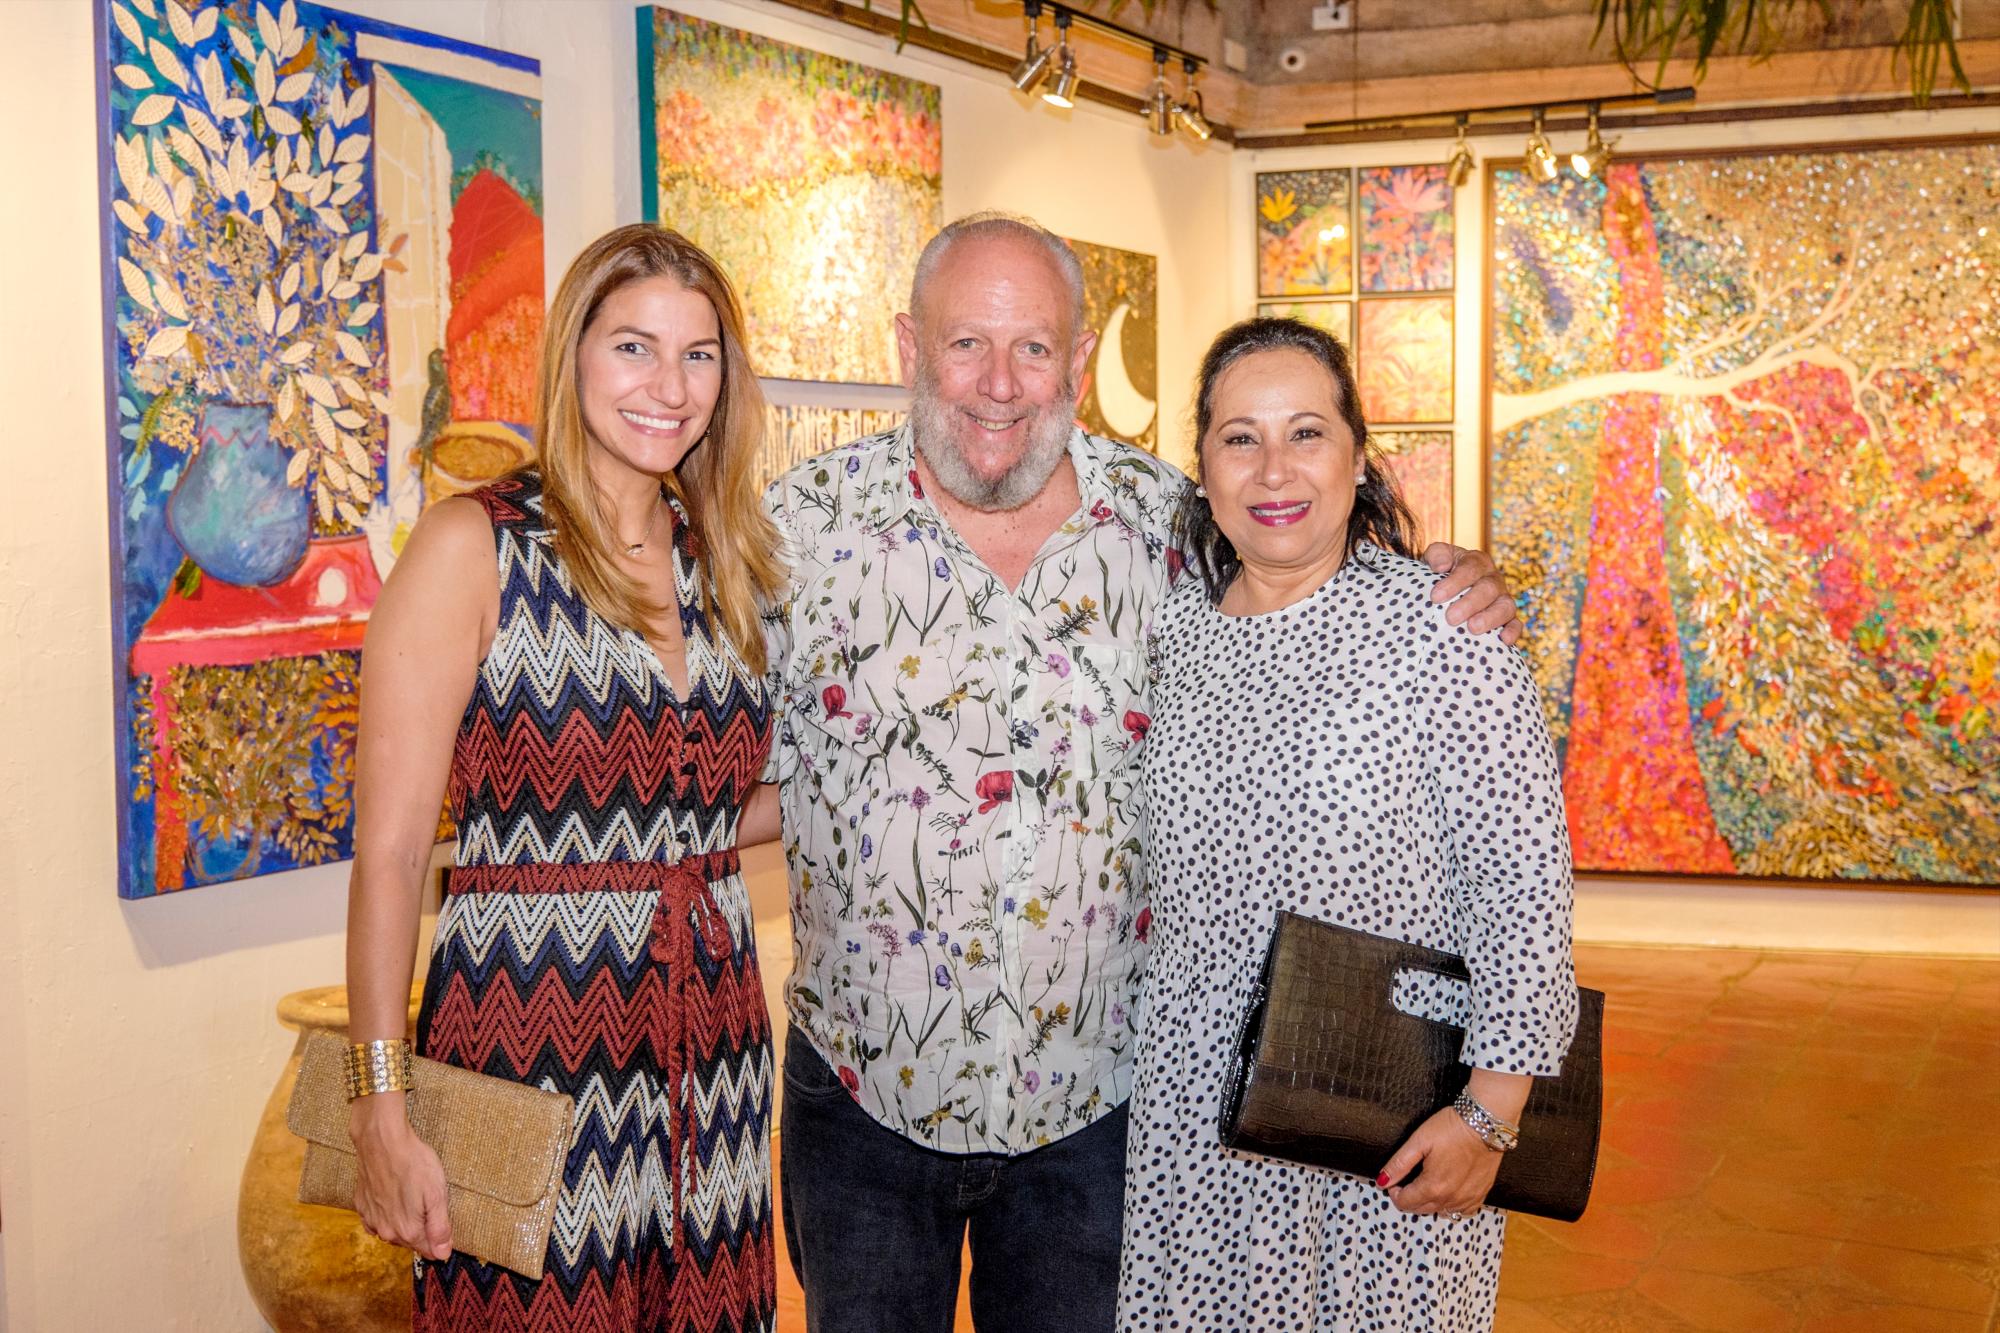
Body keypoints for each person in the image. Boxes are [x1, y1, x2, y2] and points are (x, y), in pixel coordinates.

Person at [760, 214, 1522, 1333]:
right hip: (864, 1097)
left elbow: (1307, 560)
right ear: (906, 347)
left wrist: (1453, 584)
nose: (1000, 384)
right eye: (965, 344)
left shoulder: (1172, 525)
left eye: (1033, 350)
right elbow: (712, 755)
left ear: (1078, 364)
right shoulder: (793, 532)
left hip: (1102, 1104)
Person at [344, 223, 786, 1332]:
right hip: (530, 1031)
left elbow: (697, 812)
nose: (668, 386)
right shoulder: (475, 545)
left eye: (698, 355)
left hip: (714, 1037)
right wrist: (379, 1110)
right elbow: (392, 855)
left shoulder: (724, 557)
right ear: (574, 356)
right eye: (634, 347)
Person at [1115, 316, 1579, 1331]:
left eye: (1306, 432)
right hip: (1193, 1102)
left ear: (1356, 456)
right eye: (1239, 436)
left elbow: (1521, 883)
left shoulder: (1442, 629)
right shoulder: (1172, 626)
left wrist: (1489, 1111)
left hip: (1380, 1099)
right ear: (1199, 468)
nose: (1272, 468)